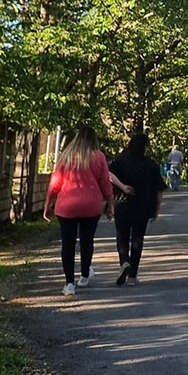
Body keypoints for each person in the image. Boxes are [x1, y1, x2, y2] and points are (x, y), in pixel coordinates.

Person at [44, 126, 114, 296]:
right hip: (91, 205)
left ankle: (69, 284)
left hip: (67, 205)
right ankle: (84, 275)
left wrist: (48, 203)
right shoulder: (98, 157)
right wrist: (110, 203)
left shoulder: (66, 157)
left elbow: (55, 183)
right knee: (87, 240)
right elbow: (105, 182)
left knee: (67, 244)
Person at [108, 133, 166, 287]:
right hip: (143, 206)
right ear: (145, 146)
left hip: (122, 204)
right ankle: (132, 276)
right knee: (137, 239)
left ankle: (124, 262)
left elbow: (108, 174)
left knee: (122, 237)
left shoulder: (120, 161)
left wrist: (121, 187)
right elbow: (159, 190)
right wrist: (157, 209)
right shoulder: (151, 164)